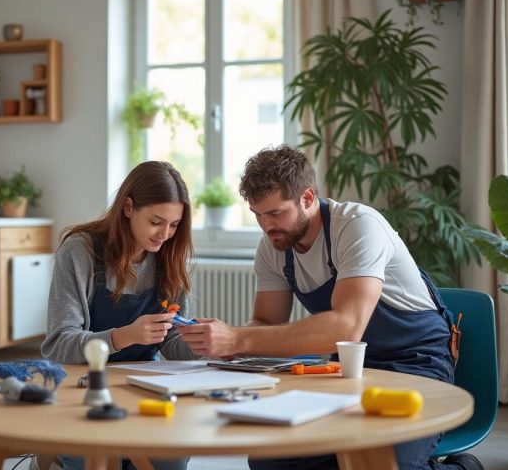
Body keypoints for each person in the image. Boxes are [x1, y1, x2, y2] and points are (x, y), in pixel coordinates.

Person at [177, 145, 482, 470]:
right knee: (270, 461)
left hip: (417, 362)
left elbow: (345, 328)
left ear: (307, 198)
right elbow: (265, 321)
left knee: (383, 463)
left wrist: (238, 339)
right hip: (348, 369)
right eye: (257, 215)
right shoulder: (273, 247)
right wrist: (229, 342)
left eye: (276, 213)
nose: (266, 226)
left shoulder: (358, 227)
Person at [39, 161, 197, 470]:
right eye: (156, 222)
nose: (165, 234)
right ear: (127, 207)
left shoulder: (170, 255)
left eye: (174, 224)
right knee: (94, 460)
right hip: (82, 387)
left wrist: (205, 342)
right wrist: (125, 336)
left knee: (171, 460)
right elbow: (58, 344)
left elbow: (172, 342)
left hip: (143, 386)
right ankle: (51, 456)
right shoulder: (80, 252)